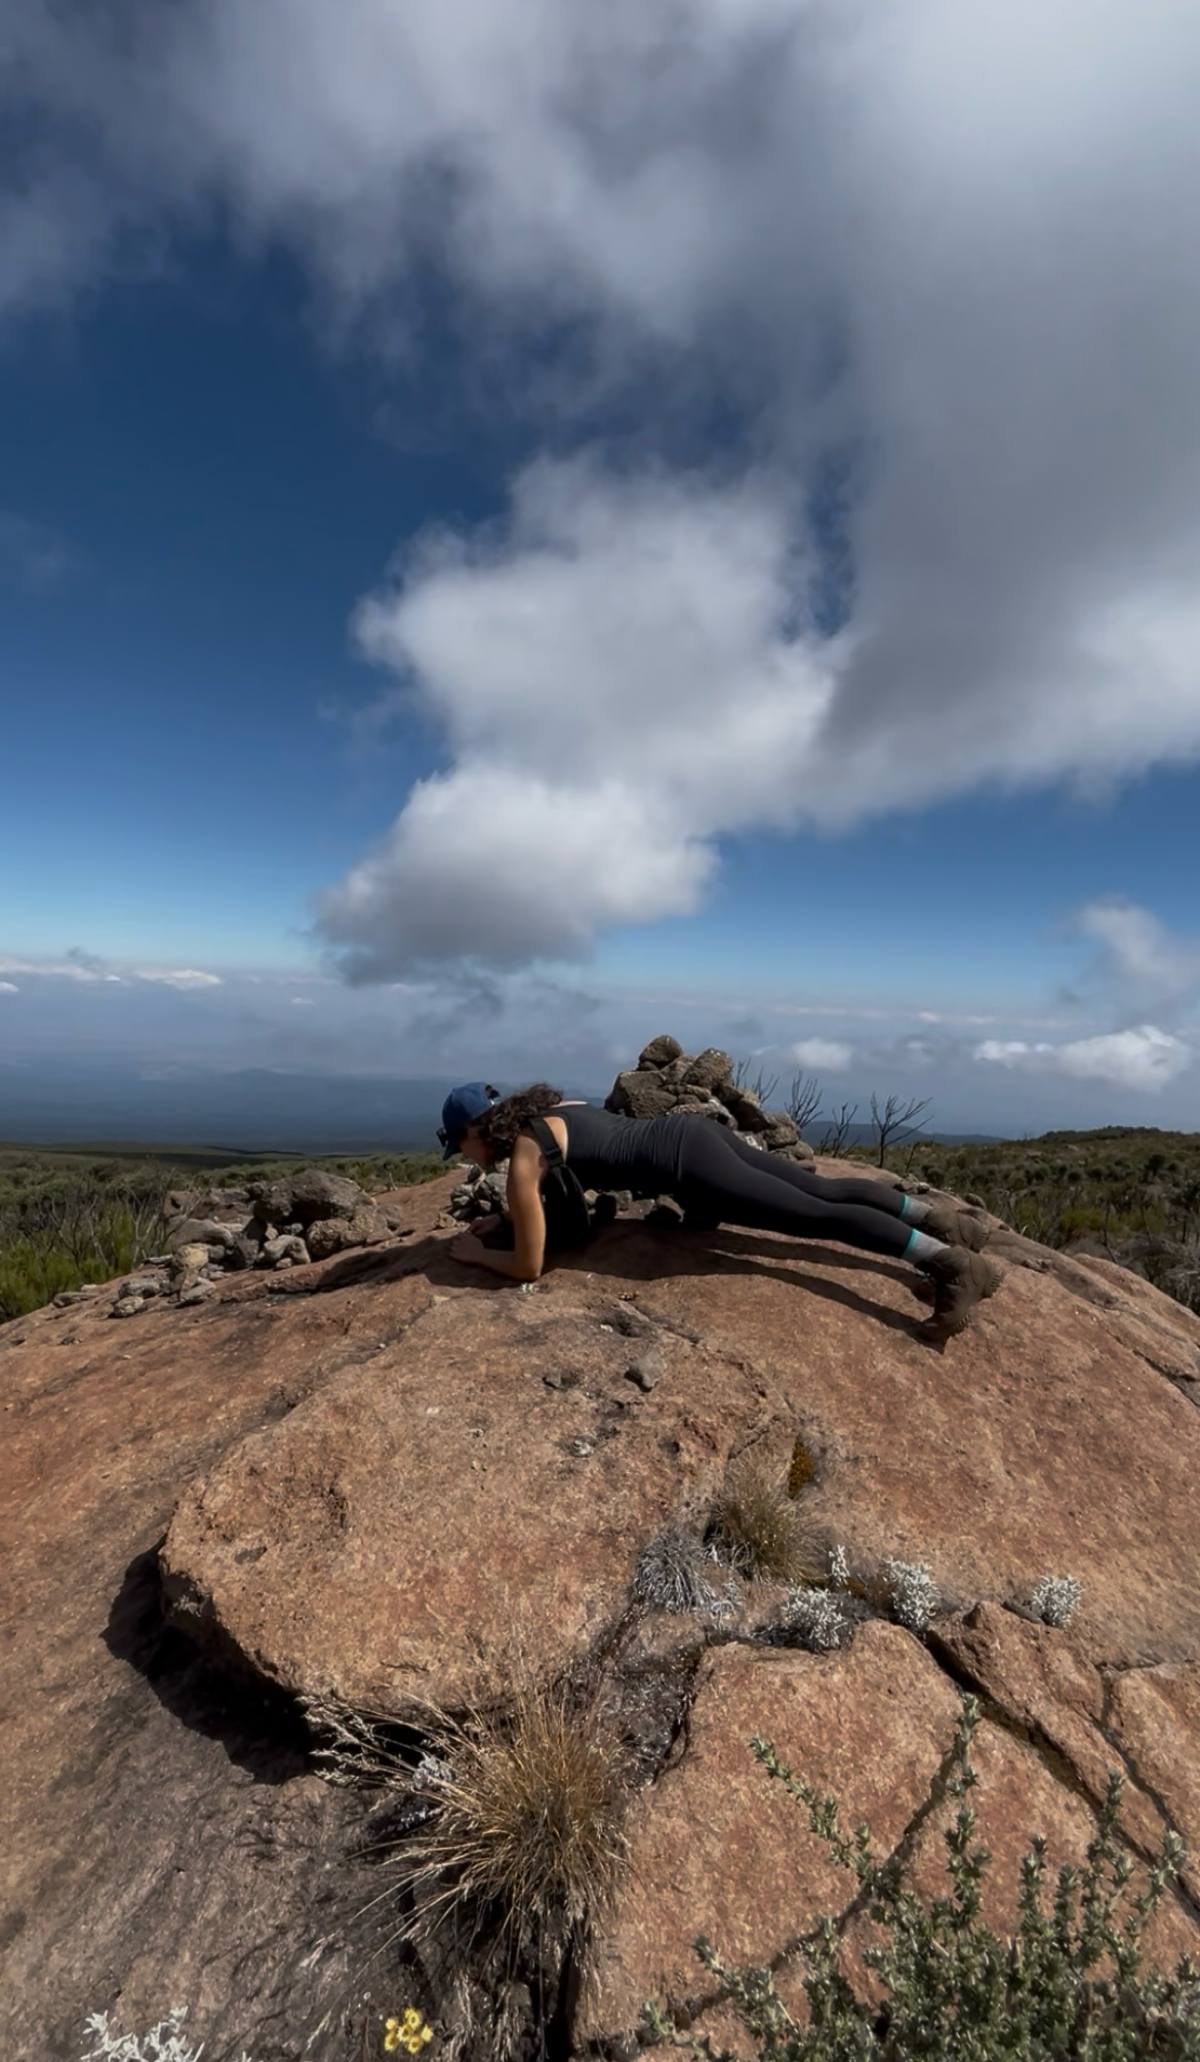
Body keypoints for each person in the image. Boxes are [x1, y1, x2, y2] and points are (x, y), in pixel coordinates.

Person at [437, 1081, 1002, 1339]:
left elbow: (529, 1267)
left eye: (459, 1146)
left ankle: (952, 1265)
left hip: (692, 1170)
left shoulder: (524, 1161)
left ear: (472, 1131)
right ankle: (945, 1221)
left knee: (813, 1218)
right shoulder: (551, 1109)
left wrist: (476, 1255)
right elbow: (569, 1181)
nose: (465, 1157)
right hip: (695, 1135)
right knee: (823, 1192)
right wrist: (507, 1220)